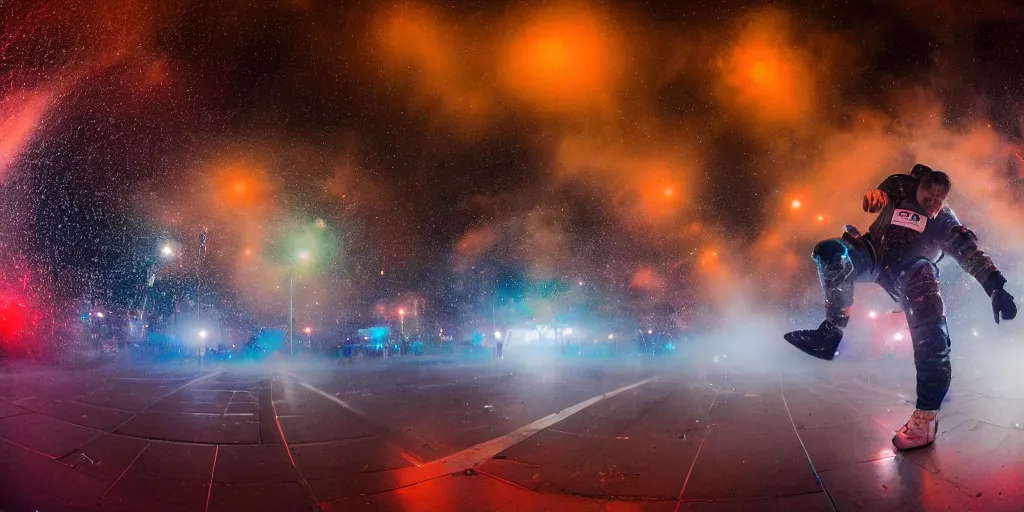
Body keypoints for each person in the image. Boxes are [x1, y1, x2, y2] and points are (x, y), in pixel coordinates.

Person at [784, 164, 1017, 450]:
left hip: (910, 272)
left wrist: (995, 285)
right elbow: (880, 196)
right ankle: (831, 332)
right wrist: (876, 198)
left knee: (928, 308)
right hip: (873, 254)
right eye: (927, 198)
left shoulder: (945, 220)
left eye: (938, 201)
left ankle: (927, 416)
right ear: (917, 186)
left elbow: (970, 252)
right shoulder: (899, 186)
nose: (932, 206)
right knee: (831, 252)